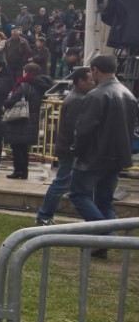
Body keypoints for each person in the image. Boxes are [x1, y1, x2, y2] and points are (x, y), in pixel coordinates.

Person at [68, 55, 139, 242]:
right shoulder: (128, 94)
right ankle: (106, 239)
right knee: (104, 200)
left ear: (95, 70)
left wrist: (77, 150)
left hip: (94, 156)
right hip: (117, 156)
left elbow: (84, 130)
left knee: (77, 194)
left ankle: (104, 234)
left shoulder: (96, 95)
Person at [36, 67, 94, 224]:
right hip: (70, 149)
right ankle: (44, 215)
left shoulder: (77, 97)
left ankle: (45, 215)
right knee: (62, 183)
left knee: (70, 183)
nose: (93, 83)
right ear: (81, 82)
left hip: (69, 148)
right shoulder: (78, 100)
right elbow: (77, 128)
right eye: (91, 80)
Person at [0, 63, 51, 180]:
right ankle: (24, 172)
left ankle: (18, 170)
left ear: (26, 72)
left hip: (19, 119)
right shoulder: (40, 86)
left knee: (17, 147)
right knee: (24, 148)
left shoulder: (24, 85)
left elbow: (13, 99)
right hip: (31, 119)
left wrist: (5, 104)